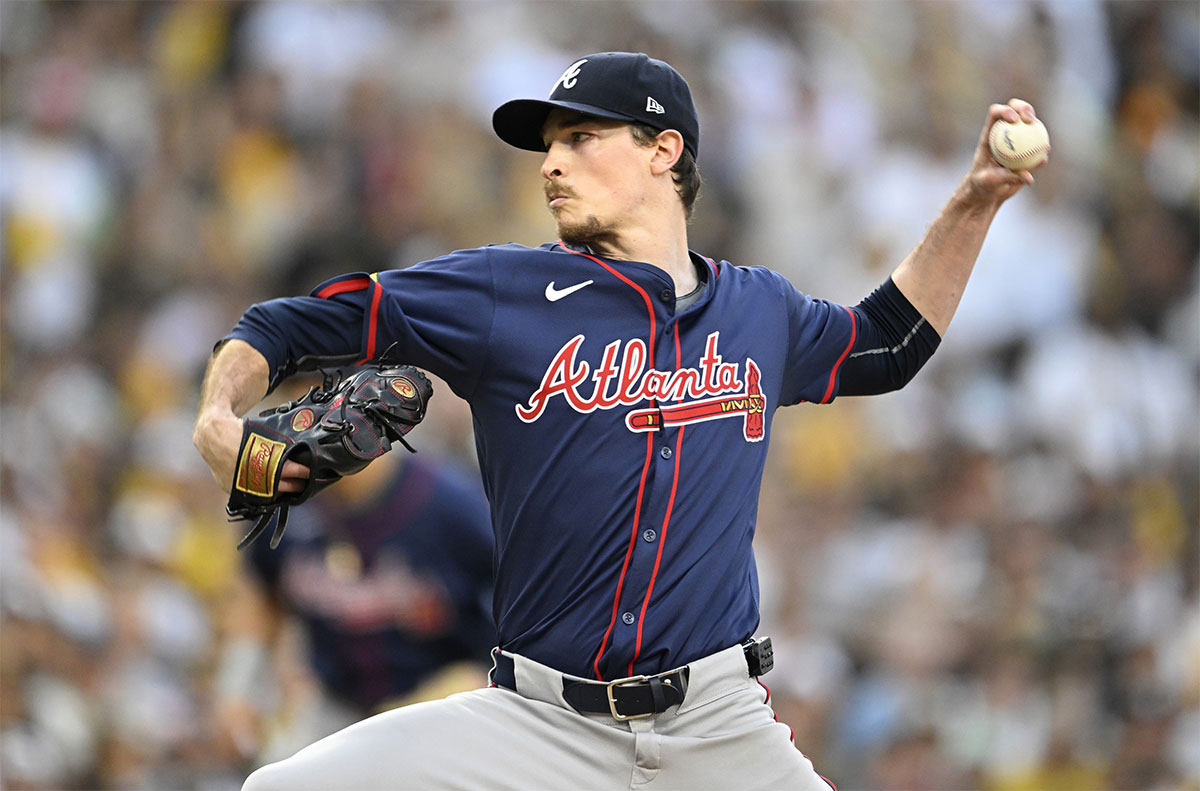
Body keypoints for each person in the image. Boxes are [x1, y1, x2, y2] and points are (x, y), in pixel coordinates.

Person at [193, 52, 1047, 790]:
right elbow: (291, 324)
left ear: (663, 151)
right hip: (536, 723)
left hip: (718, 726)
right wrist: (220, 412)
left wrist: (975, 201)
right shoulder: (504, 292)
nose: (550, 164)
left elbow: (887, 345)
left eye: (580, 139)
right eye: (549, 144)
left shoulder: (760, 311)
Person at [213, 446, 495, 770]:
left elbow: (524, 600)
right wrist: (238, 685)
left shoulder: (451, 502)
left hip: (447, 703)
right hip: (337, 706)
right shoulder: (279, 501)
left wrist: (480, 676)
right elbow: (262, 590)